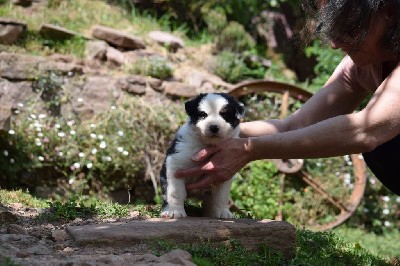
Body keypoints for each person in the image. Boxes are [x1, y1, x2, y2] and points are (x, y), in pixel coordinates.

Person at [175, 0, 400, 196]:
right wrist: (205, 133)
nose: (334, 44)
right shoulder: (361, 67)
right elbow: (294, 125)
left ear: (388, 12)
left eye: (347, 27)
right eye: (332, 28)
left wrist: (248, 150)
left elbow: (365, 131)